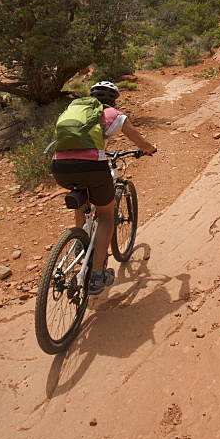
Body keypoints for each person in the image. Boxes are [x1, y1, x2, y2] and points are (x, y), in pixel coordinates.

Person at [51, 81, 156, 295]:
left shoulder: (73, 110)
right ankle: (97, 274)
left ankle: (81, 240)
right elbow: (140, 142)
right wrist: (149, 149)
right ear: (113, 99)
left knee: (82, 200)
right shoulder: (114, 115)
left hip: (59, 168)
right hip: (92, 167)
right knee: (106, 216)